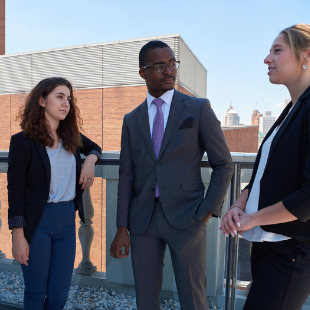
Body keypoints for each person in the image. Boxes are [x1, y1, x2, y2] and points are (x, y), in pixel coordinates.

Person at [219, 24, 310, 310]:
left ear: (308, 55)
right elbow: (263, 176)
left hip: (294, 250)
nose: (267, 58)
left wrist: (252, 219)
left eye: (277, 50)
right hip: (269, 246)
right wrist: (238, 206)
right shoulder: (292, 108)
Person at [110, 40, 234, 310]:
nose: (169, 71)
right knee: (145, 299)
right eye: (159, 66)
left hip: (188, 217)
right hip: (143, 222)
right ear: (143, 72)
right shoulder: (132, 119)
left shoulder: (197, 108)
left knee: (193, 298)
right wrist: (121, 229)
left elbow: (224, 164)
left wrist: (207, 211)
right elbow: (126, 175)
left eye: (172, 64)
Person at [7, 77, 101, 309]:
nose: (66, 103)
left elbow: (95, 147)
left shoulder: (72, 137)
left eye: (68, 98)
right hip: (37, 223)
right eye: (59, 97)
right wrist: (18, 236)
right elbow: (15, 190)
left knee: (59, 295)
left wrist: (90, 160)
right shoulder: (22, 142)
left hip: (67, 221)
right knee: (36, 292)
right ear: (42, 100)